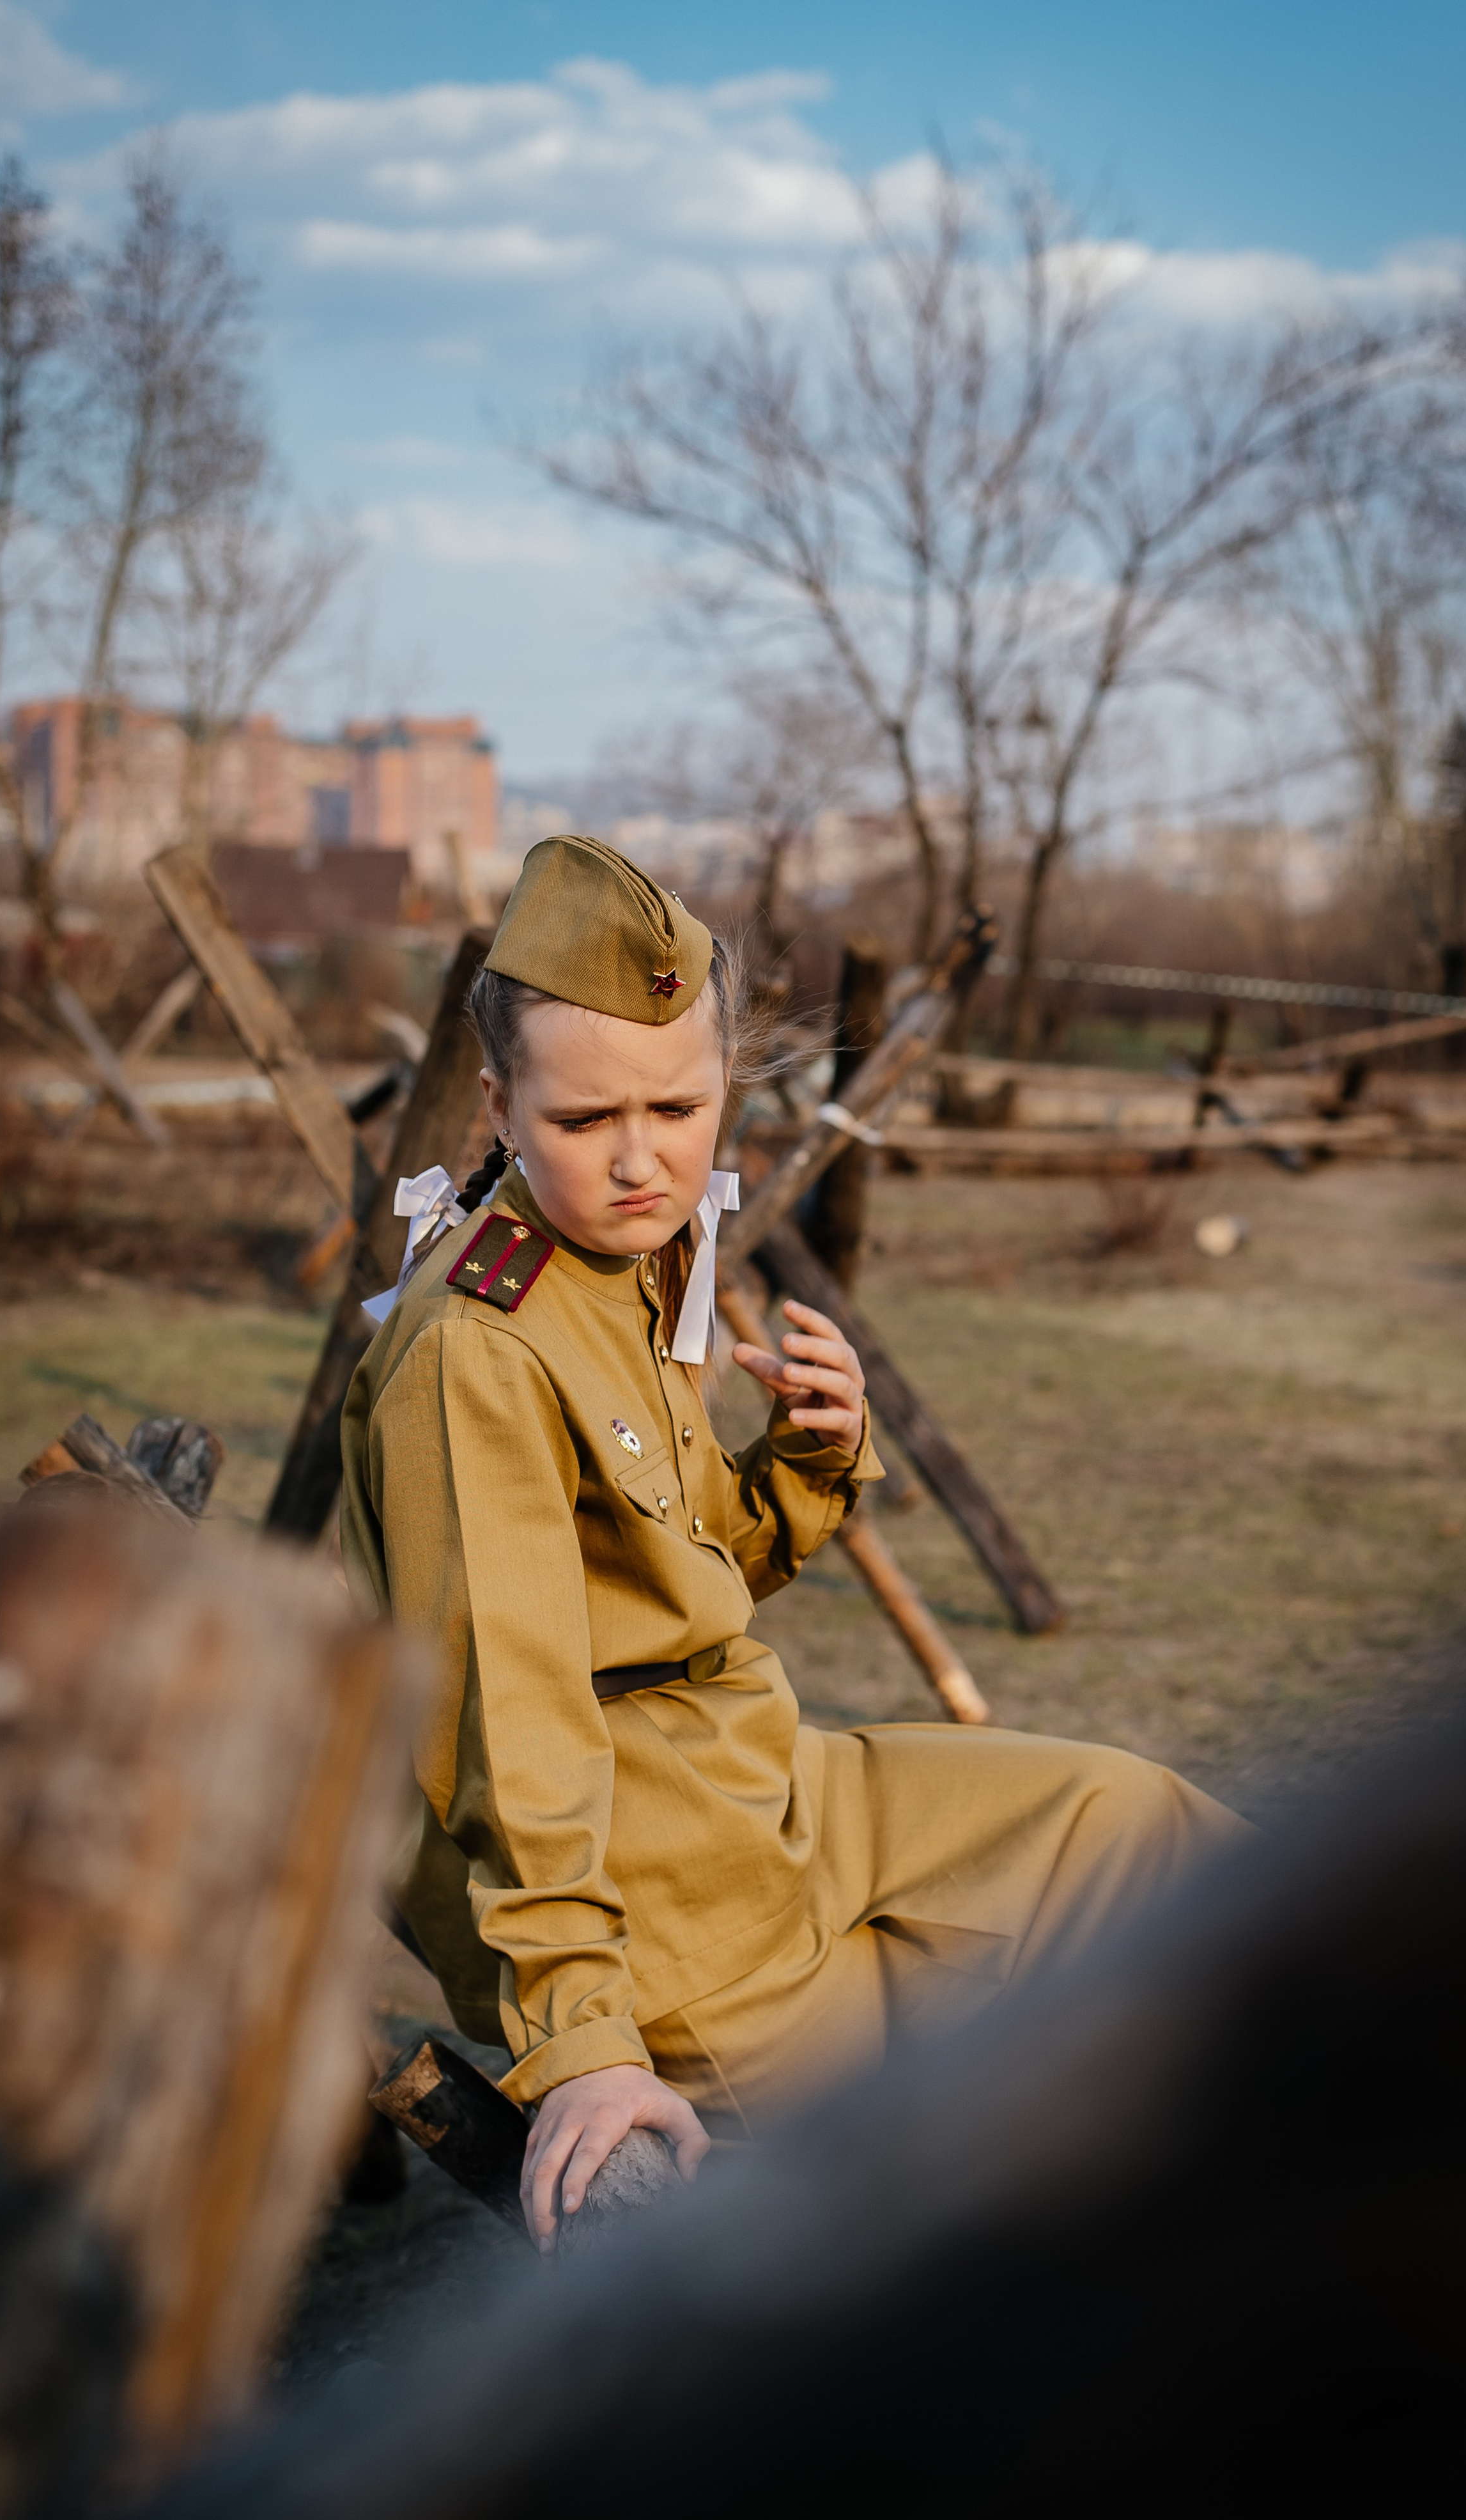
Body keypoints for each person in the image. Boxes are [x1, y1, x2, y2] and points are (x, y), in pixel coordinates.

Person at [339, 838, 1244, 2253]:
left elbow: (677, 1572)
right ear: (500, 1107)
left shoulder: (626, 1254)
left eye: (678, 1106)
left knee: (1135, 1829)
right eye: (585, 1117)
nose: (640, 1158)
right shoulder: (481, 1347)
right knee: (970, 2139)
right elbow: (502, 1724)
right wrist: (583, 2038)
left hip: (769, 1788)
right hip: (644, 1890)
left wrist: (812, 1459)